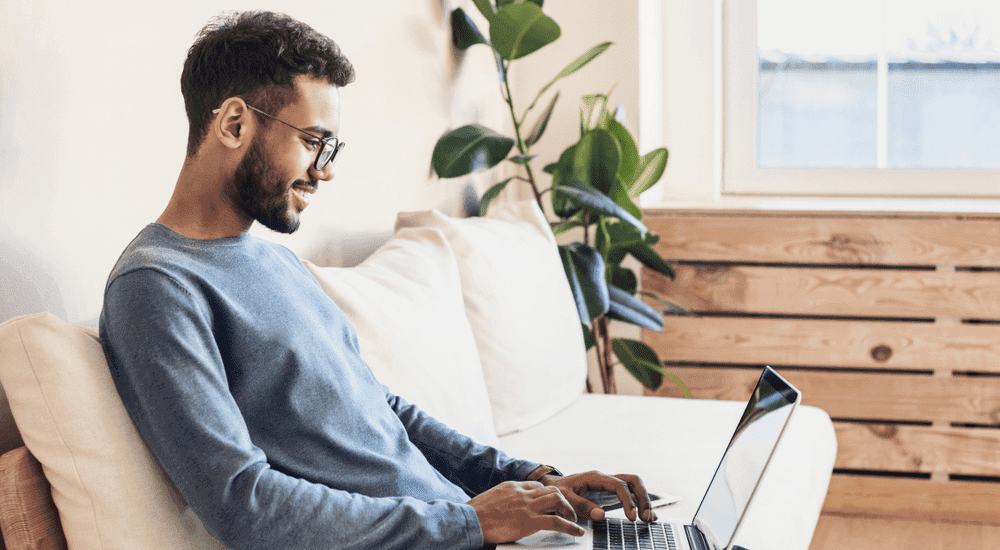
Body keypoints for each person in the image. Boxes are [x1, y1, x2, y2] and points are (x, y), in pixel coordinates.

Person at [99, 10, 655, 549]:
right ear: (234, 124)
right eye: (313, 141)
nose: (326, 169)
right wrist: (468, 523)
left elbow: (380, 408)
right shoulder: (156, 287)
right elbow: (244, 503)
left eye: (329, 147)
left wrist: (530, 476)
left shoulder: (276, 263)